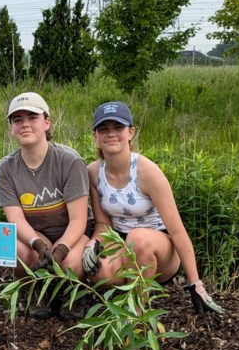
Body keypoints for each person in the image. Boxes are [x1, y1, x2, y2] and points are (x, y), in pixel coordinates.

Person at [81, 102, 224, 315]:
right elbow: (103, 224)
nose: (111, 134)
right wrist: (93, 243)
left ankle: (138, 309)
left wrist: (195, 283)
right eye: (104, 129)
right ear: (95, 136)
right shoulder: (93, 172)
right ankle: (124, 294)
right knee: (98, 269)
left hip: (159, 247)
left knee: (138, 239)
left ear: (130, 132)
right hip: (122, 242)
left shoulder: (148, 173)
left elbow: (176, 230)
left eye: (118, 128)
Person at [0, 92, 90, 319]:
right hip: (37, 233)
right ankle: (38, 286)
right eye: (17, 120)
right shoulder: (6, 168)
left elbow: (79, 220)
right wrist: (38, 245)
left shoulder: (69, 161)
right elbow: (15, 219)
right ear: (11, 128)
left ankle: (73, 290)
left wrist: (61, 249)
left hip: (72, 233)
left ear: (46, 122)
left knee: (70, 264)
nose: (25, 124)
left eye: (32, 117)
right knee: (16, 251)